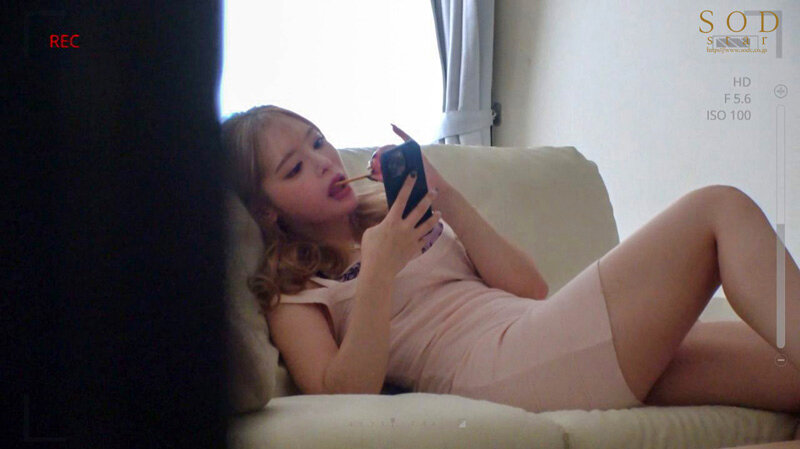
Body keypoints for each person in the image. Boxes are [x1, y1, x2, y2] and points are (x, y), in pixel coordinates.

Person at [221, 105, 800, 426]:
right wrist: (377, 270)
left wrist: (446, 196)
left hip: (535, 333)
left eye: (318, 141)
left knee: (787, 370)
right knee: (717, 208)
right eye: (294, 168)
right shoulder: (293, 291)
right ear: (267, 211)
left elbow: (530, 287)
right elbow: (341, 395)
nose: (323, 162)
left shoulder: (401, 217)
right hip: (496, 373)